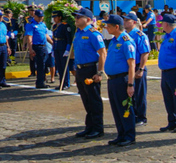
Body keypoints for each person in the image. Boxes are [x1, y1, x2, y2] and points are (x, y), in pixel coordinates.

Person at [71, 8, 106, 139]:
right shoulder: (78, 33)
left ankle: (98, 128)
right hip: (80, 69)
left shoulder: (93, 34)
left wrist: (100, 72)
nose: (76, 19)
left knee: (94, 99)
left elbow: (103, 53)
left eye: (79, 17)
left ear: (88, 20)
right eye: (76, 17)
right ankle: (89, 126)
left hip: (91, 69)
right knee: (86, 99)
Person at [102, 15, 136, 147]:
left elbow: (131, 64)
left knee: (125, 108)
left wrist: (130, 84)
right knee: (116, 109)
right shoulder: (113, 41)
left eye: (109, 26)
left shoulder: (126, 41)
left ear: (117, 27)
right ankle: (121, 134)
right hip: (112, 80)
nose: (106, 28)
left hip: (122, 79)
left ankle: (129, 136)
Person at [123, 12, 150, 127]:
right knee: (130, 94)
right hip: (128, 67)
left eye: (127, 21)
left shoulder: (139, 35)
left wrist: (141, 68)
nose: (124, 22)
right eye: (124, 20)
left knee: (139, 93)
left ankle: (141, 117)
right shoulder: (124, 35)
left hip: (137, 65)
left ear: (134, 22)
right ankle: (132, 115)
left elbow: (145, 53)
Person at [25, 9, 52, 89]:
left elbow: (46, 35)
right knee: (40, 65)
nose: (40, 18)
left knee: (45, 64)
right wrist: (30, 49)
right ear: (35, 16)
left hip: (44, 46)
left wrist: (52, 43)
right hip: (37, 47)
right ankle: (40, 82)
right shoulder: (31, 24)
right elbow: (29, 37)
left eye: (42, 17)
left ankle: (42, 80)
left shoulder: (43, 25)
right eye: (39, 17)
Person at [52, 11, 74, 90]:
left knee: (64, 67)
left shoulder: (65, 26)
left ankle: (66, 83)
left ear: (60, 17)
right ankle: (61, 82)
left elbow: (69, 39)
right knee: (59, 67)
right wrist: (53, 49)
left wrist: (67, 49)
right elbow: (54, 39)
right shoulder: (54, 26)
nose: (54, 19)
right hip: (57, 48)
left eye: (56, 17)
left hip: (63, 47)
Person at [0, 13, 9, 88]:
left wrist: (8, 47)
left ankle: (2, 81)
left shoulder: (3, 24)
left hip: (3, 46)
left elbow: (5, 36)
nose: (0, 17)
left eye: (1, 16)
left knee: (3, 65)